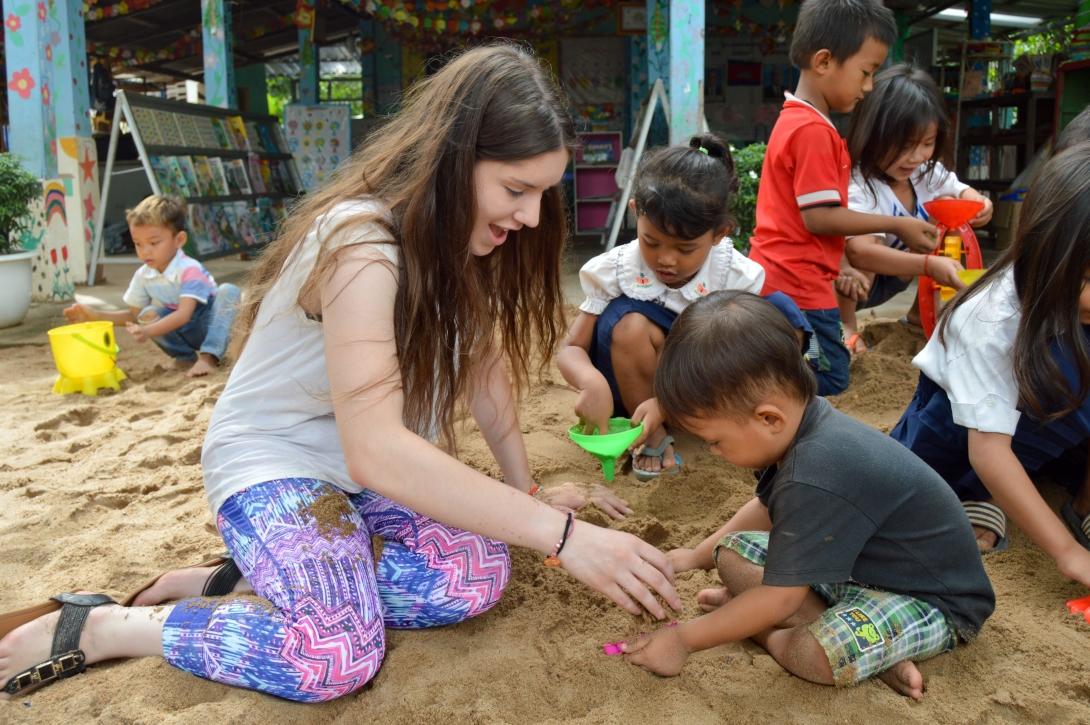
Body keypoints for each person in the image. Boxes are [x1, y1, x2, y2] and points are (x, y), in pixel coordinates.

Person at [0, 44, 681, 702]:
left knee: (479, 570)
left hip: (356, 484)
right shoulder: (362, 242)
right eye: (516, 188)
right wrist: (565, 536)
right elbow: (378, 446)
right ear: (452, 159)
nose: (531, 215)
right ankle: (109, 626)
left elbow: (486, 377)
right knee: (333, 654)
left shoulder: (461, 245)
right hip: (276, 466)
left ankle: (244, 578)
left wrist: (524, 492)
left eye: (541, 193)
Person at [618, 291, 994, 701]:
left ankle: (773, 634)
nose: (713, 452)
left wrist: (684, 640)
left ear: (768, 418)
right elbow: (766, 508)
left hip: (929, 600)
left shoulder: (816, 471)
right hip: (854, 572)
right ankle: (850, 640)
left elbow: (781, 598)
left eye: (715, 441)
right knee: (730, 551)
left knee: (817, 653)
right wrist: (693, 556)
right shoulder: (798, 424)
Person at [556, 133, 810, 481]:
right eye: (651, 241)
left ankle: (691, 415)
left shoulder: (732, 273)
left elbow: (741, 356)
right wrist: (590, 383)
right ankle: (653, 435)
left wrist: (667, 403)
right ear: (635, 212)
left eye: (685, 248)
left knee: (777, 314)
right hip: (635, 388)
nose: (666, 259)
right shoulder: (616, 269)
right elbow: (571, 348)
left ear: (719, 233)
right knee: (627, 323)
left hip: (704, 383)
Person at [891, 143, 1090, 584]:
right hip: (956, 435)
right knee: (926, 482)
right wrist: (1067, 552)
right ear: (1045, 255)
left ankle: (1079, 504)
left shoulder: (1078, 304)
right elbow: (989, 451)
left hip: (1043, 418)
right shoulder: (994, 319)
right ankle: (973, 495)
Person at [747, 0, 937, 395]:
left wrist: (841, 266)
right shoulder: (813, 130)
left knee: (801, 357)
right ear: (824, 62)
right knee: (831, 377)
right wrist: (896, 222)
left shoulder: (797, 119)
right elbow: (820, 217)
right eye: (866, 73)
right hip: (798, 286)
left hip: (786, 278)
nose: (868, 87)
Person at [837, 64, 993, 354]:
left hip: (899, 274)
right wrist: (928, 265)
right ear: (873, 135)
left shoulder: (925, 173)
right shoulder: (861, 185)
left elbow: (960, 190)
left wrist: (981, 204)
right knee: (856, 253)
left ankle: (916, 316)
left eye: (927, 143)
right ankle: (846, 325)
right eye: (904, 146)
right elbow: (860, 252)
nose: (916, 156)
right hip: (855, 284)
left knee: (948, 211)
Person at [62, 195, 240, 378]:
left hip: (210, 326)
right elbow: (134, 316)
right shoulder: (143, 275)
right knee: (146, 313)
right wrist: (96, 315)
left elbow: (184, 314)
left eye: (154, 243)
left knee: (228, 290)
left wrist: (147, 331)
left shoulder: (189, 269)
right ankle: (185, 358)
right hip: (183, 330)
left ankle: (209, 356)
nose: (145, 251)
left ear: (179, 240)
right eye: (138, 244)